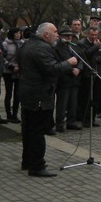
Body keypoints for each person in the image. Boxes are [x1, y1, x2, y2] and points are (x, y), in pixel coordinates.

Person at [18, 22, 78, 177]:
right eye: (55, 32)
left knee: (29, 130)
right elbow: (52, 69)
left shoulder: (28, 44)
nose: (57, 35)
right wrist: (69, 63)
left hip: (29, 93)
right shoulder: (41, 48)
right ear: (46, 34)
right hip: (38, 95)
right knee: (37, 131)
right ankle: (37, 166)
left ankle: (28, 161)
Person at [1, 26, 24, 123]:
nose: (19, 35)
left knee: (17, 94)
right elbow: (2, 57)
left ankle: (15, 114)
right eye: (17, 33)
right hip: (8, 71)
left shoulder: (23, 44)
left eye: (20, 33)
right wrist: (10, 66)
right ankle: (8, 114)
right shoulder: (5, 44)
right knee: (9, 93)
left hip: (19, 71)